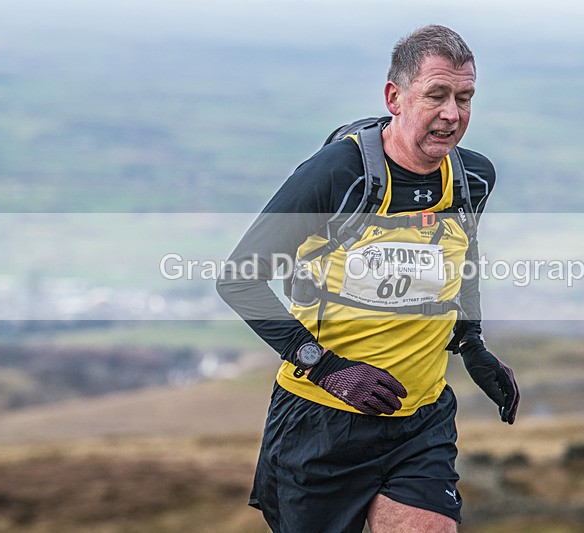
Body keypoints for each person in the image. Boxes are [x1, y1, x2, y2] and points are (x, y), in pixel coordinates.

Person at [216, 24, 519, 533]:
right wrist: (329, 368)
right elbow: (239, 278)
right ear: (394, 97)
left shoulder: (473, 178)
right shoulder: (338, 175)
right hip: (321, 423)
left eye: (465, 98)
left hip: (420, 421)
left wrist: (472, 343)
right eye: (437, 95)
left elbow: (461, 261)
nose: (453, 114)